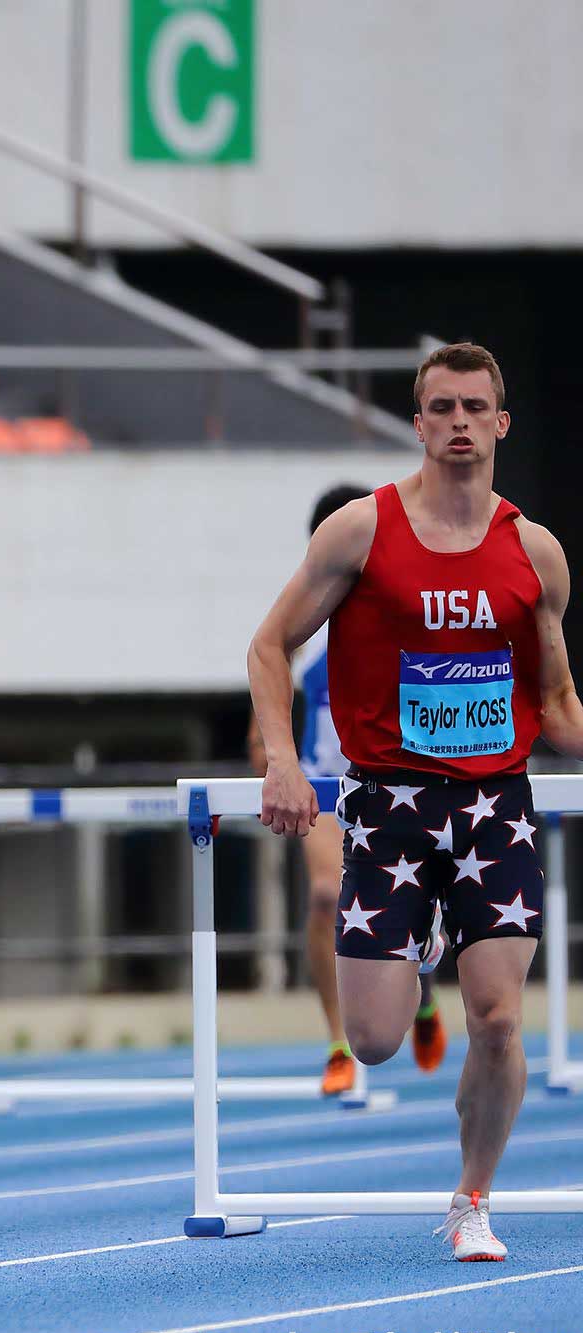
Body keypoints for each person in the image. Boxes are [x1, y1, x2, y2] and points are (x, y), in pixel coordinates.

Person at [248, 342, 581, 1262]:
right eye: (443, 408)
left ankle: (473, 1196)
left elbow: (556, 708)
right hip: (391, 807)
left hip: (495, 805)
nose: (461, 422)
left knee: (499, 1018)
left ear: (502, 423)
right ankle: (425, 938)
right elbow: (268, 648)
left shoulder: (535, 553)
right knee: (376, 1039)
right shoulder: (360, 531)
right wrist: (281, 757)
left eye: (477, 406)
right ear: (421, 420)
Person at [251, 486, 447, 1096]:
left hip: (392, 790)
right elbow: (270, 671)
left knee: (407, 911)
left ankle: (420, 984)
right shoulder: (308, 625)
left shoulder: (400, 611)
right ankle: (337, 1040)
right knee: (319, 895)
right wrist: (270, 755)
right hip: (326, 795)